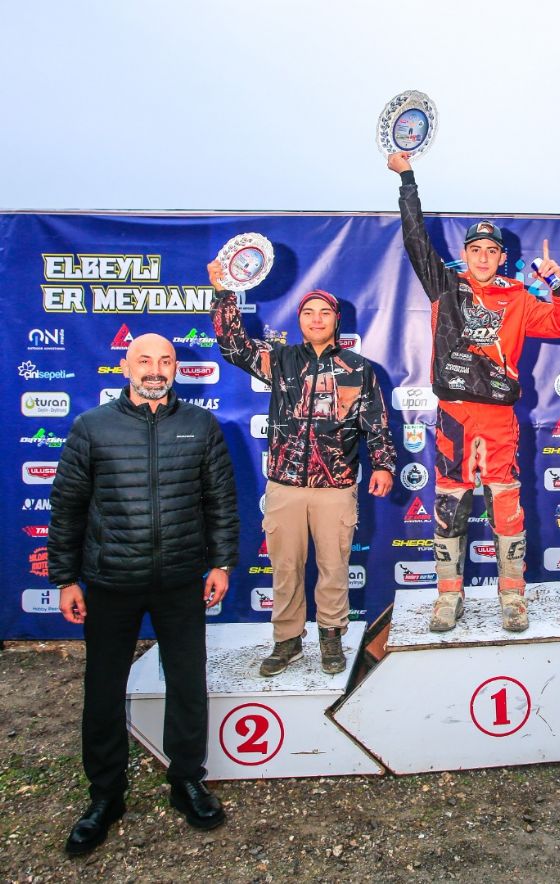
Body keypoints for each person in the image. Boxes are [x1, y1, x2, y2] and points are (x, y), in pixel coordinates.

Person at [49, 333, 239, 856]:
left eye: (165, 360)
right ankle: (105, 796)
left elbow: (221, 501)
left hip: (180, 579)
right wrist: (65, 579)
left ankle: (187, 780)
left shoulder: (200, 425)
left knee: (187, 683)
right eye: (145, 360)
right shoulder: (91, 427)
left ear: (176, 368)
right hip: (111, 581)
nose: (156, 369)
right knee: (103, 689)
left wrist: (221, 562)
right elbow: (67, 507)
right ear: (126, 366)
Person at [387, 151, 560, 633]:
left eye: (492, 251)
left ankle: (512, 596)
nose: (484, 257)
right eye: (476, 249)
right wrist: (407, 179)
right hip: (454, 414)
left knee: (506, 507)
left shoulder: (518, 297)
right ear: (466, 254)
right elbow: (415, 239)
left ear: (502, 257)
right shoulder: (445, 287)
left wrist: (557, 285)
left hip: (498, 418)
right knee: (449, 507)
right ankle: (448, 597)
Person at [209, 263, 396, 676]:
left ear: (336, 320)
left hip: (336, 487)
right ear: (299, 321)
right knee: (285, 569)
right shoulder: (280, 360)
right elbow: (234, 347)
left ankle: (331, 637)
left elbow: (376, 423)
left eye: (324, 313)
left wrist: (383, 464)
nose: (316, 319)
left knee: (334, 567)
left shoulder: (358, 368)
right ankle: (287, 640)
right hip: (285, 486)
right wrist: (223, 293)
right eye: (309, 313)